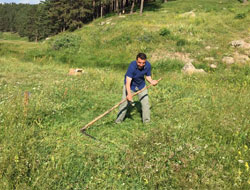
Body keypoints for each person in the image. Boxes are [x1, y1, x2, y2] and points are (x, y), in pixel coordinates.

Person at [115, 53, 158, 124]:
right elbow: (128, 82)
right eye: (139, 62)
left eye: (143, 63)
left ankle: (146, 122)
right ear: (136, 61)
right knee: (124, 103)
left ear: (145, 61)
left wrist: (152, 81)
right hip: (130, 86)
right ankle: (118, 121)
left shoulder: (148, 65)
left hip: (141, 86)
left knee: (145, 103)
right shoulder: (132, 66)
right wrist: (129, 94)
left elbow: (148, 76)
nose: (141, 65)